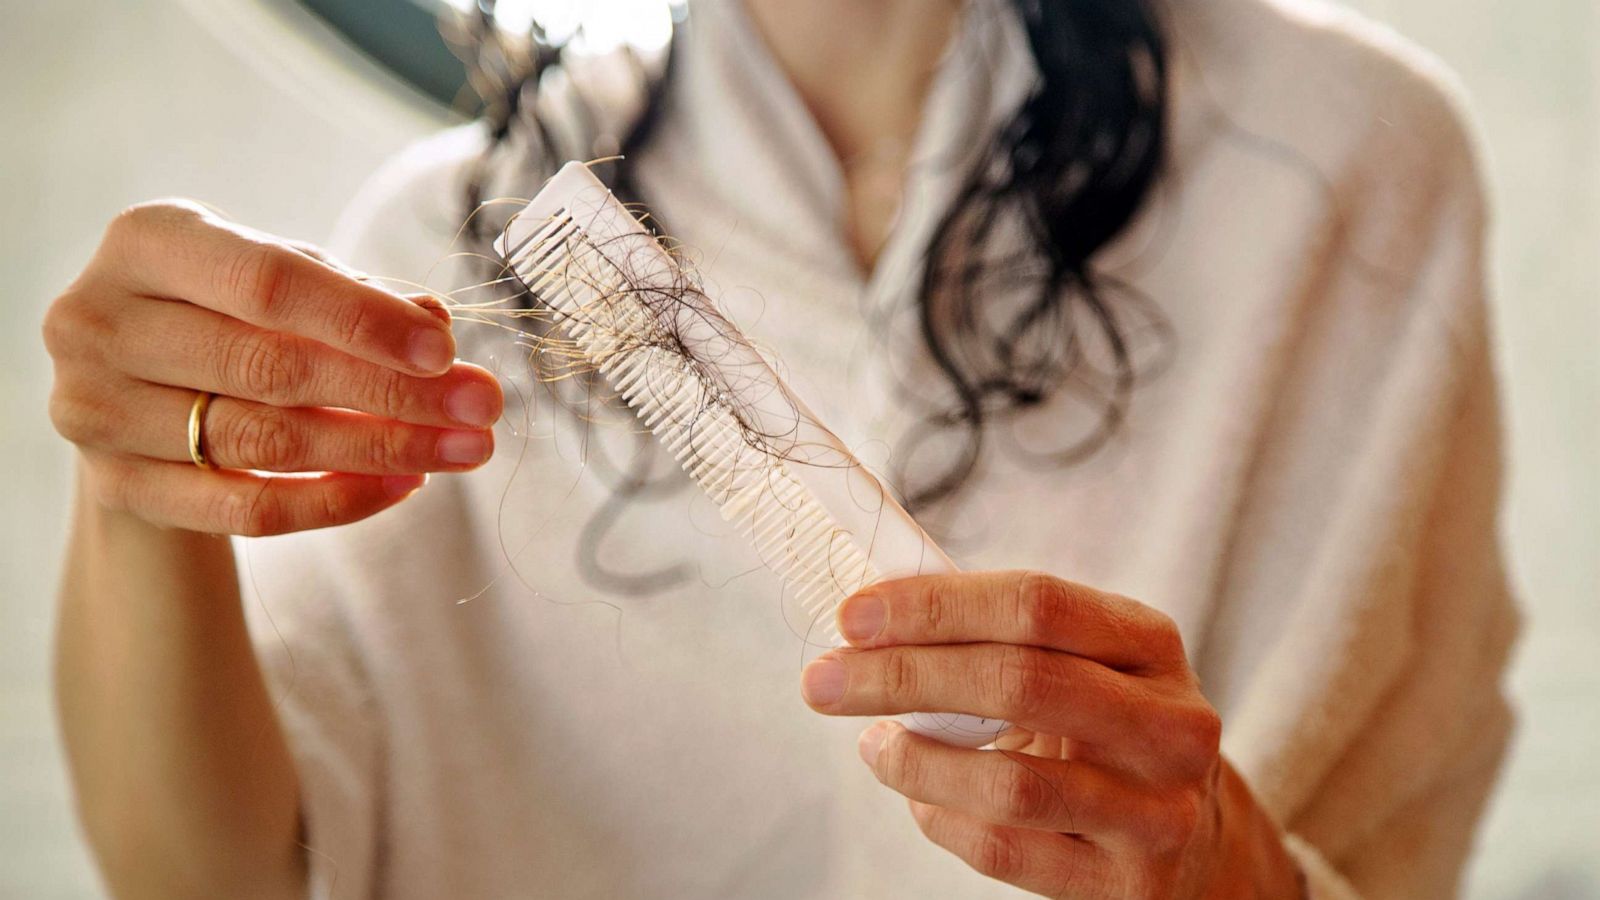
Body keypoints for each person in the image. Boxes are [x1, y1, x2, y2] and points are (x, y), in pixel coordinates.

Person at [43, 0, 1518, 896]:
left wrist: (1223, 874)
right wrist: (133, 499)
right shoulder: (441, 245)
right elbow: (213, 880)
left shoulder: (1347, 173)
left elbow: (1390, 851)